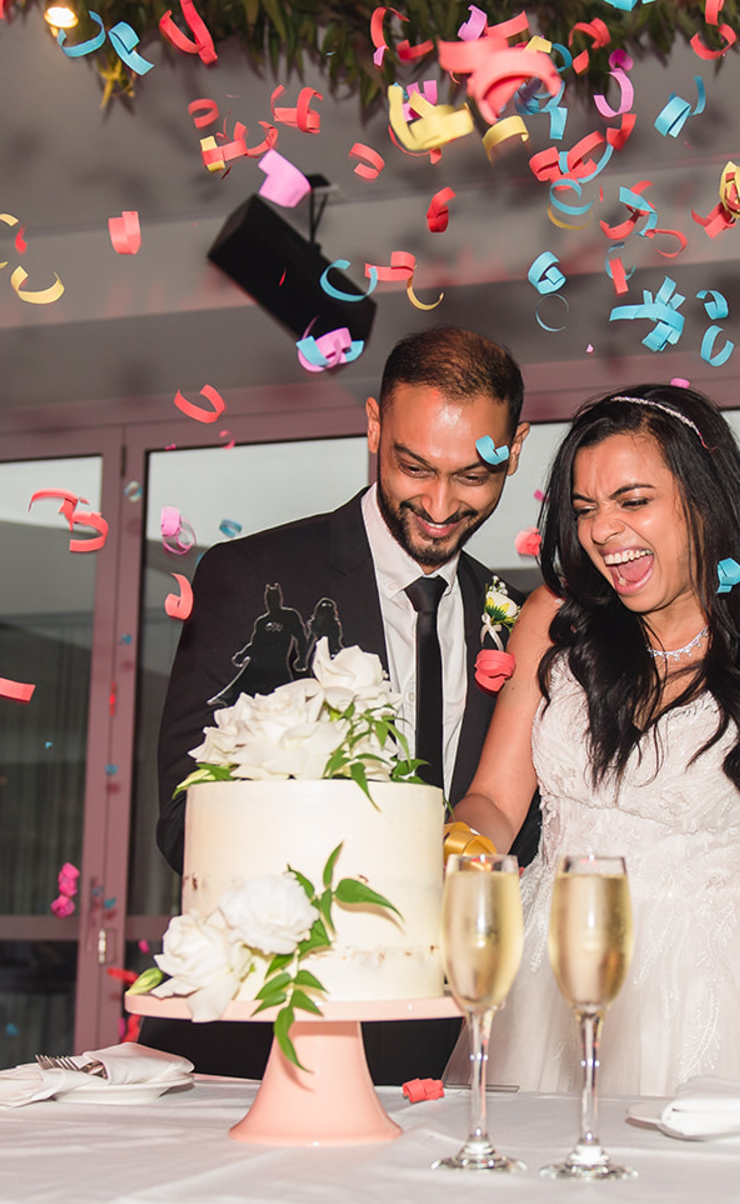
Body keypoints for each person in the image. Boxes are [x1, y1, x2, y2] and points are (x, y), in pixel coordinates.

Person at [451, 384, 740, 1102]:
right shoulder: (555, 622)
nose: (604, 530)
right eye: (584, 509)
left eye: (633, 501)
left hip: (716, 998)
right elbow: (492, 800)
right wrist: (456, 844)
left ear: (705, 501)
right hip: (553, 977)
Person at [151, 325, 533, 1085]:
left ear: (515, 451)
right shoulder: (255, 577)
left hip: (459, 1052)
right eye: (413, 465)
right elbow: (185, 814)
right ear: (372, 427)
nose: (438, 502)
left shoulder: (517, 620)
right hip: (269, 1043)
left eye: (472, 478)